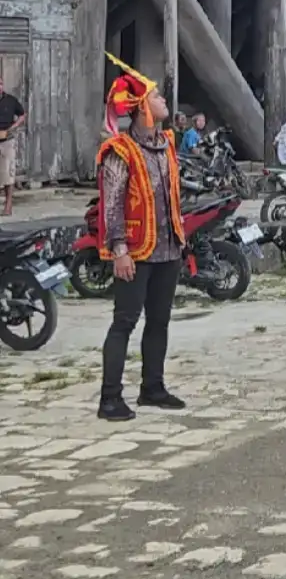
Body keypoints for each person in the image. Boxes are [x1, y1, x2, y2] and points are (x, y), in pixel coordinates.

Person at [97, 58, 187, 422]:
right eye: (156, 96)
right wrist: (119, 250)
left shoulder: (167, 144)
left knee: (159, 321)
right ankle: (109, 398)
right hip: (134, 250)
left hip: (168, 248)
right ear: (140, 108)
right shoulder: (120, 150)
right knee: (125, 321)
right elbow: (112, 204)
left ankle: (153, 387)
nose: (163, 100)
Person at [0, 86, 26, 219]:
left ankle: (8, 205)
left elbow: (22, 114)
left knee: (8, 173)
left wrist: (14, 127)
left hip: (7, 140)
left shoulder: (10, 100)